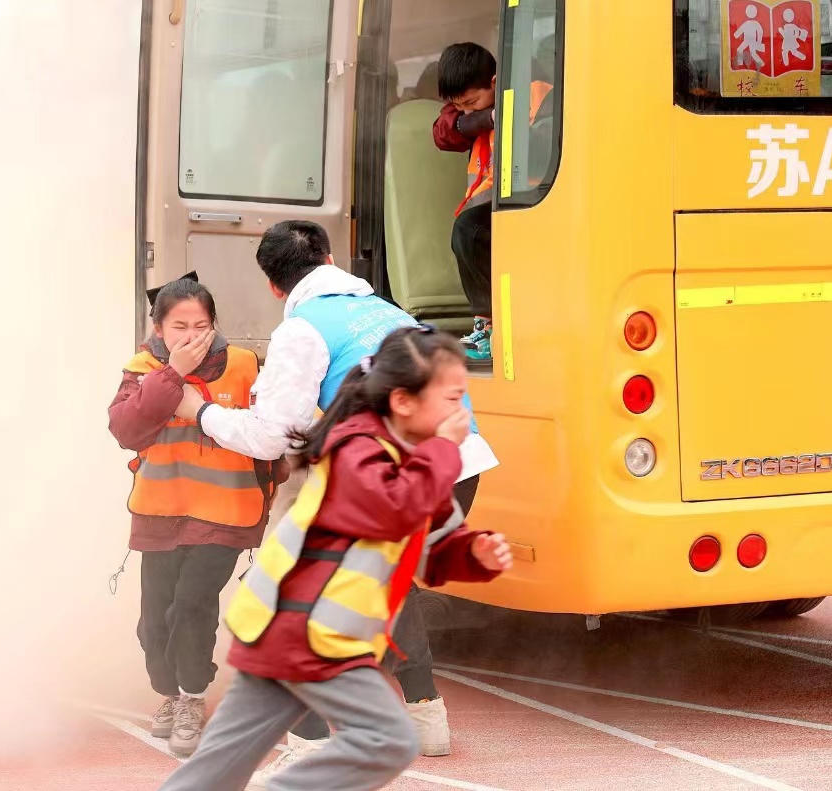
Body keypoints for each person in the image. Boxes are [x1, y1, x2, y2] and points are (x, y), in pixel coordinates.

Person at [173, 220, 499, 781]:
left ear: (273, 285)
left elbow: (271, 435)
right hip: (459, 465)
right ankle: (426, 717)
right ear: (329, 259)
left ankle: (308, 742)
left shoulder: (302, 331)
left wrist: (199, 411)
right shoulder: (387, 312)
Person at [107, 273, 280, 758]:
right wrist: (173, 374)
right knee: (153, 623)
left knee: (191, 607)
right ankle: (168, 691)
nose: (191, 336)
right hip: (160, 512)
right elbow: (125, 430)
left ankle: (191, 697)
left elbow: (270, 432)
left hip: (226, 513)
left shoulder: (244, 364)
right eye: (179, 327)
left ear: (214, 324)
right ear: (158, 329)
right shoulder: (142, 368)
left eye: (200, 326)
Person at [432, 42, 553, 364]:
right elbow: (443, 132)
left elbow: (545, 147)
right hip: (493, 199)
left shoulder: (538, 97)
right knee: (467, 233)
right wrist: (485, 117)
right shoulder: (474, 111)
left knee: (468, 231)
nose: (465, 112)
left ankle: (488, 326)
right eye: (459, 106)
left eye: (471, 102)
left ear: (496, 83)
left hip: (535, 197)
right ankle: (486, 325)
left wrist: (510, 122)